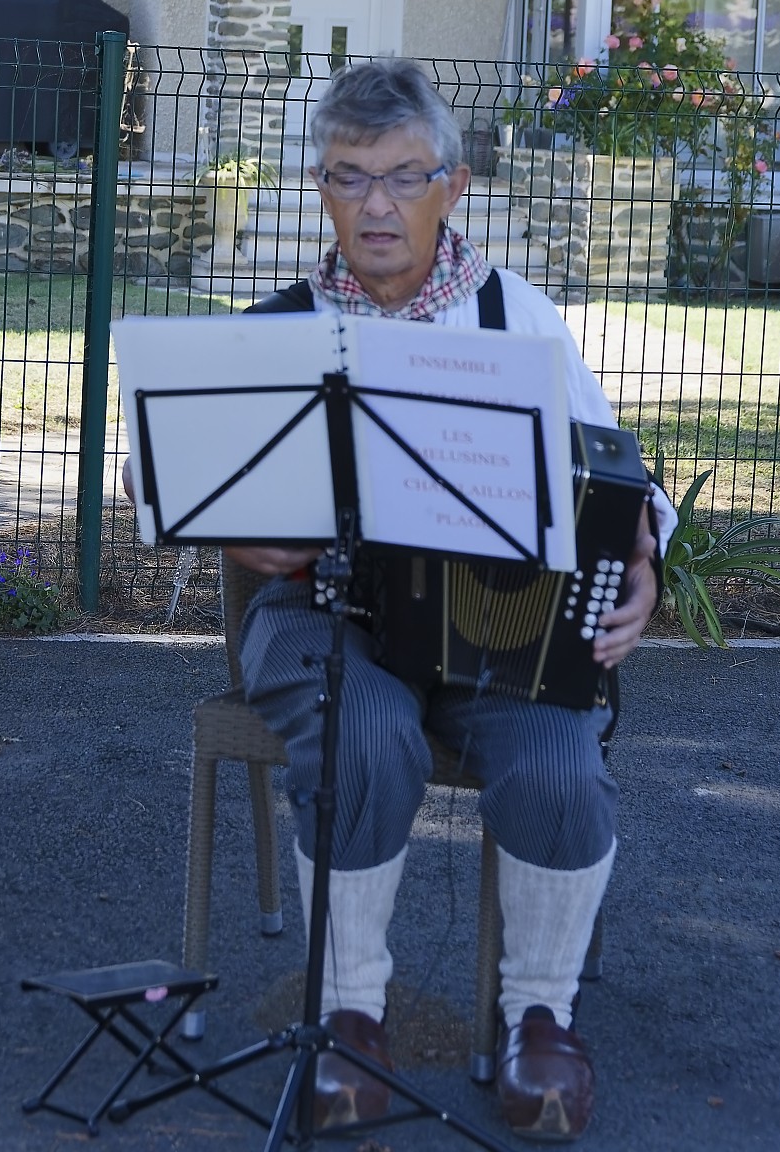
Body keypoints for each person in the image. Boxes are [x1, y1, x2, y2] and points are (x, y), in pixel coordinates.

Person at [227, 61, 674, 1142]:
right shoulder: (277, 325)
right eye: (348, 178)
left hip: (496, 626)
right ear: (320, 188)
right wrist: (240, 528)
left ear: (453, 187)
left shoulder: (519, 316)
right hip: (319, 615)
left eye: (401, 177)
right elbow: (204, 486)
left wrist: (647, 564)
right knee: (365, 726)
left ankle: (541, 1019)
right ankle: (350, 1014)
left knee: (562, 758)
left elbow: (623, 479)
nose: (375, 205)